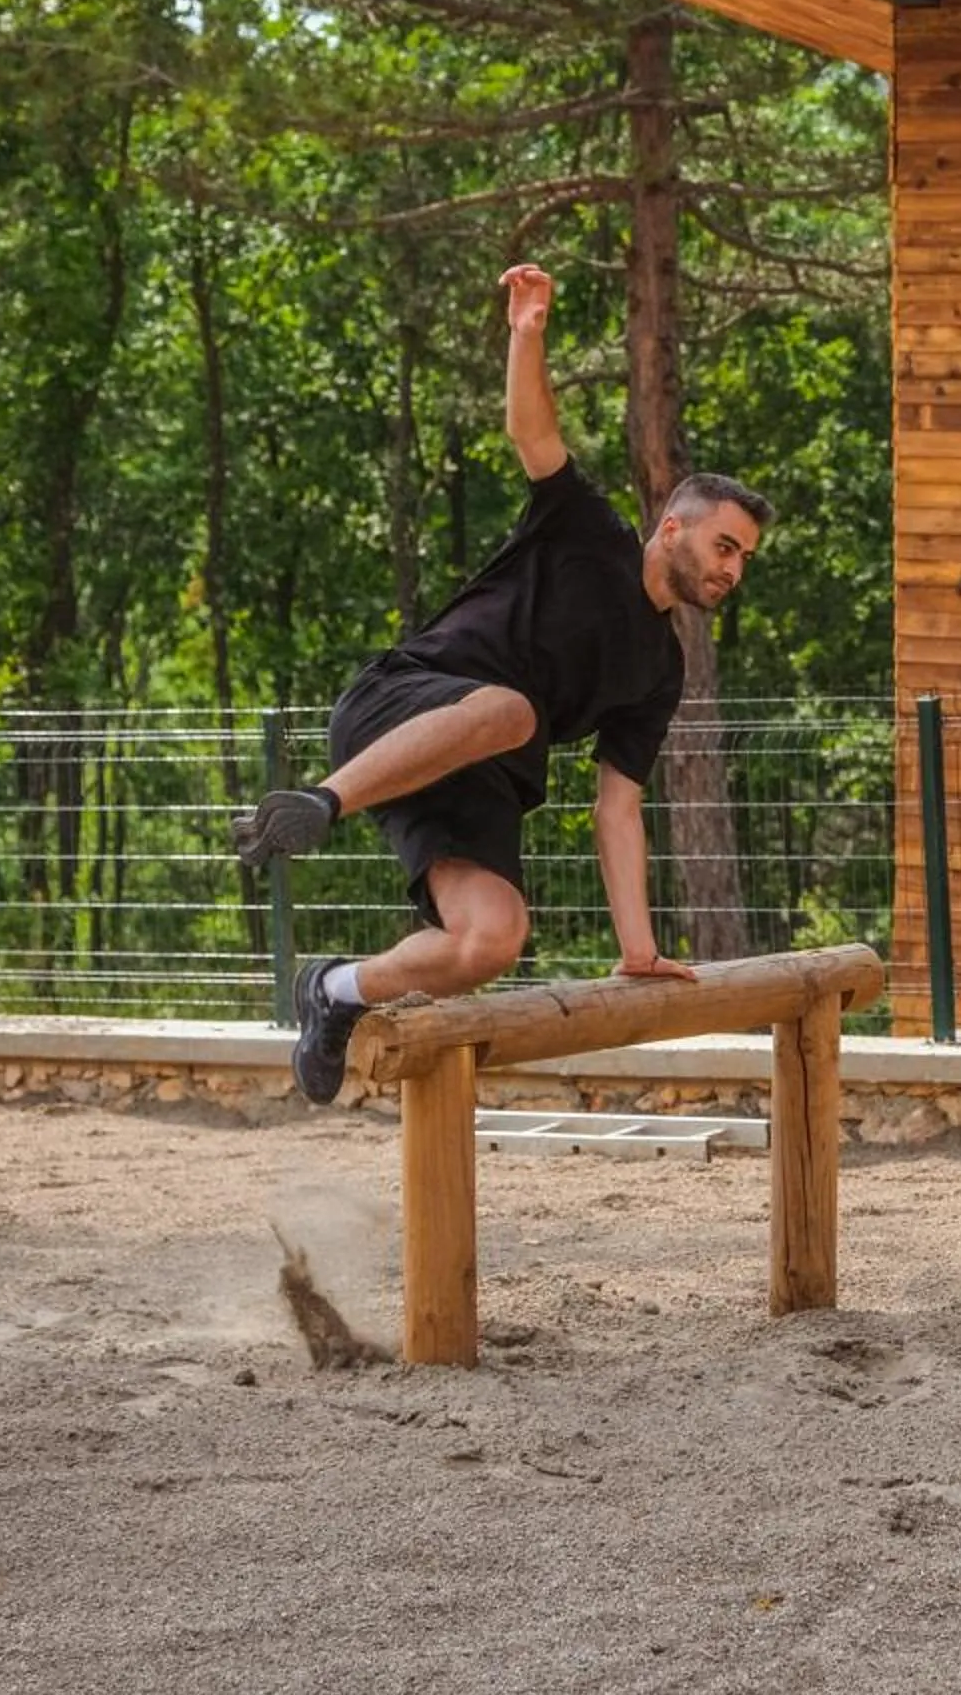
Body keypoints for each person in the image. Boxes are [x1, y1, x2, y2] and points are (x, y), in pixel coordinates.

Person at [232, 262, 772, 1105]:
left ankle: (331, 992)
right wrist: (527, 334)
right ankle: (318, 804)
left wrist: (637, 946)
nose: (733, 569)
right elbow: (533, 435)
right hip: (402, 708)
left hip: (482, 774)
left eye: (743, 560)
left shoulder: (659, 670)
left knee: (491, 941)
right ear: (674, 528)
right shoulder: (587, 531)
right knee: (513, 708)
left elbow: (618, 810)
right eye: (726, 547)